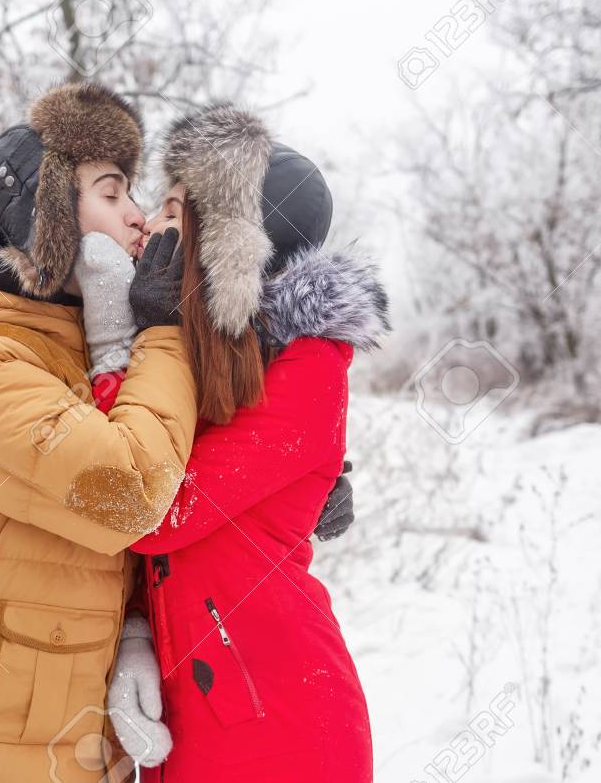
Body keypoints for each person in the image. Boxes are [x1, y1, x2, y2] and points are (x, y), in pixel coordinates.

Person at [0, 82, 197, 783]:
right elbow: (128, 492)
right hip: (0, 745)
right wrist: (163, 336)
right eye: (112, 194)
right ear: (51, 215)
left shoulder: (80, 347)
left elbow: (160, 468)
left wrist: (296, 477)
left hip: (83, 737)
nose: (138, 215)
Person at [103, 105, 389, 781]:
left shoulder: (310, 368)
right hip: (206, 714)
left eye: (174, 210)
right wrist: (137, 631)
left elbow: (147, 509)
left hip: (284, 726)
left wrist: (145, 338)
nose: (149, 224)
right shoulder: (217, 363)